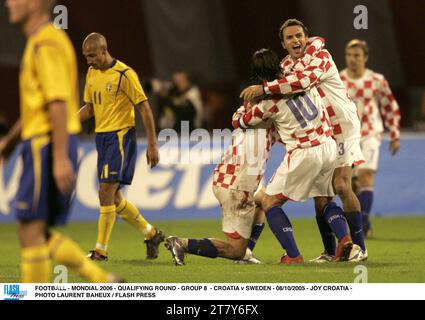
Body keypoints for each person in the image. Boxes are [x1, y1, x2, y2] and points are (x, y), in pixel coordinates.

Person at [165, 49, 355, 266]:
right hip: (235, 182)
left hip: (244, 176)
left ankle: (259, 254)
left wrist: (243, 108)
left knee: (264, 202)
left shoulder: (264, 105)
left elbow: (239, 120)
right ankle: (184, 243)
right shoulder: (303, 89)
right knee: (240, 241)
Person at [1, 0, 121, 282]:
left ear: (34, 4)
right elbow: (41, 105)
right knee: (36, 231)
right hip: (43, 144)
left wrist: (59, 157)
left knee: (30, 231)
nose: (8, 3)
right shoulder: (41, 41)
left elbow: (58, 103)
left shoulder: (46, 43)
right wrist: (9, 142)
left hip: (46, 146)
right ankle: (102, 281)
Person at [240, 19, 367, 262]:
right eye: (290, 38)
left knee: (341, 186)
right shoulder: (286, 65)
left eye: (299, 35)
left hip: (342, 126)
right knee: (322, 197)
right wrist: (263, 93)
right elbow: (283, 89)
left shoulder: (319, 55)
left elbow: (303, 82)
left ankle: (359, 248)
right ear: (283, 44)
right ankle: (332, 251)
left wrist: (263, 91)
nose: (296, 40)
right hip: (323, 132)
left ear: (306, 37)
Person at [78, 33, 164, 261]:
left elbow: (144, 108)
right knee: (113, 197)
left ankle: (100, 250)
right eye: (86, 57)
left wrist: (152, 144)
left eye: (92, 55)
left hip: (120, 137)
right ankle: (151, 233)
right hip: (102, 138)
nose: (89, 60)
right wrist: (67, 122)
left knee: (105, 192)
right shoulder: (91, 73)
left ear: (104, 51)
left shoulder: (125, 74)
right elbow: (90, 108)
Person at [340, 39, 401, 237]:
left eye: (357, 55)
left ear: (365, 58)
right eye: (349, 55)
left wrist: (394, 135)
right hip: (348, 136)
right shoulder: (338, 80)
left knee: (366, 176)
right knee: (351, 183)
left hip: (370, 133)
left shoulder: (376, 80)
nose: (352, 59)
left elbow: (390, 107)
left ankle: (363, 223)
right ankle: (361, 219)